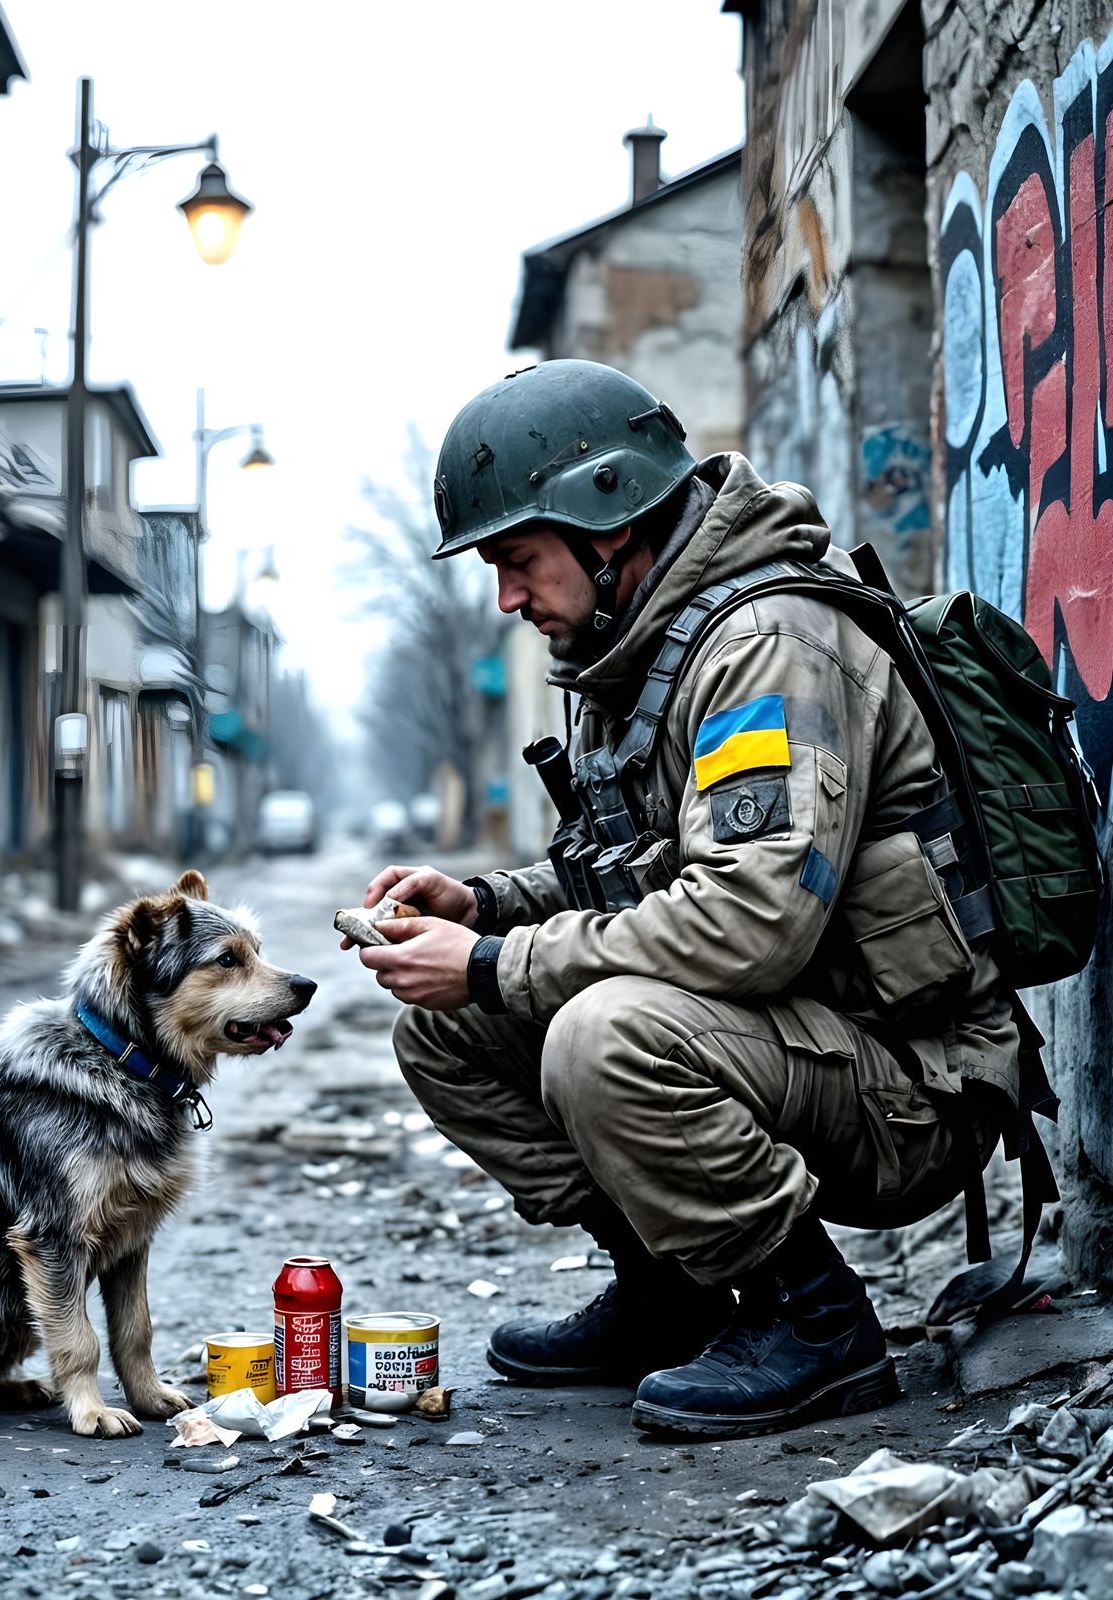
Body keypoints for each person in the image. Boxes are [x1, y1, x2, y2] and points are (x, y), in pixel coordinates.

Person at [354, 359, 1021, 1440]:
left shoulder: (766, 648)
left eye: (518, 560)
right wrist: (483, 906)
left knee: (601, 1035)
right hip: (794, 1036)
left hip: (909, 1075)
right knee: (445, 1030)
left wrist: (493, 962)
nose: (507, 598)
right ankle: (674, 1293)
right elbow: (640, 868)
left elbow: (749, 921)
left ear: (607, 523)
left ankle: (816, 1323)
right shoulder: (639, 651)